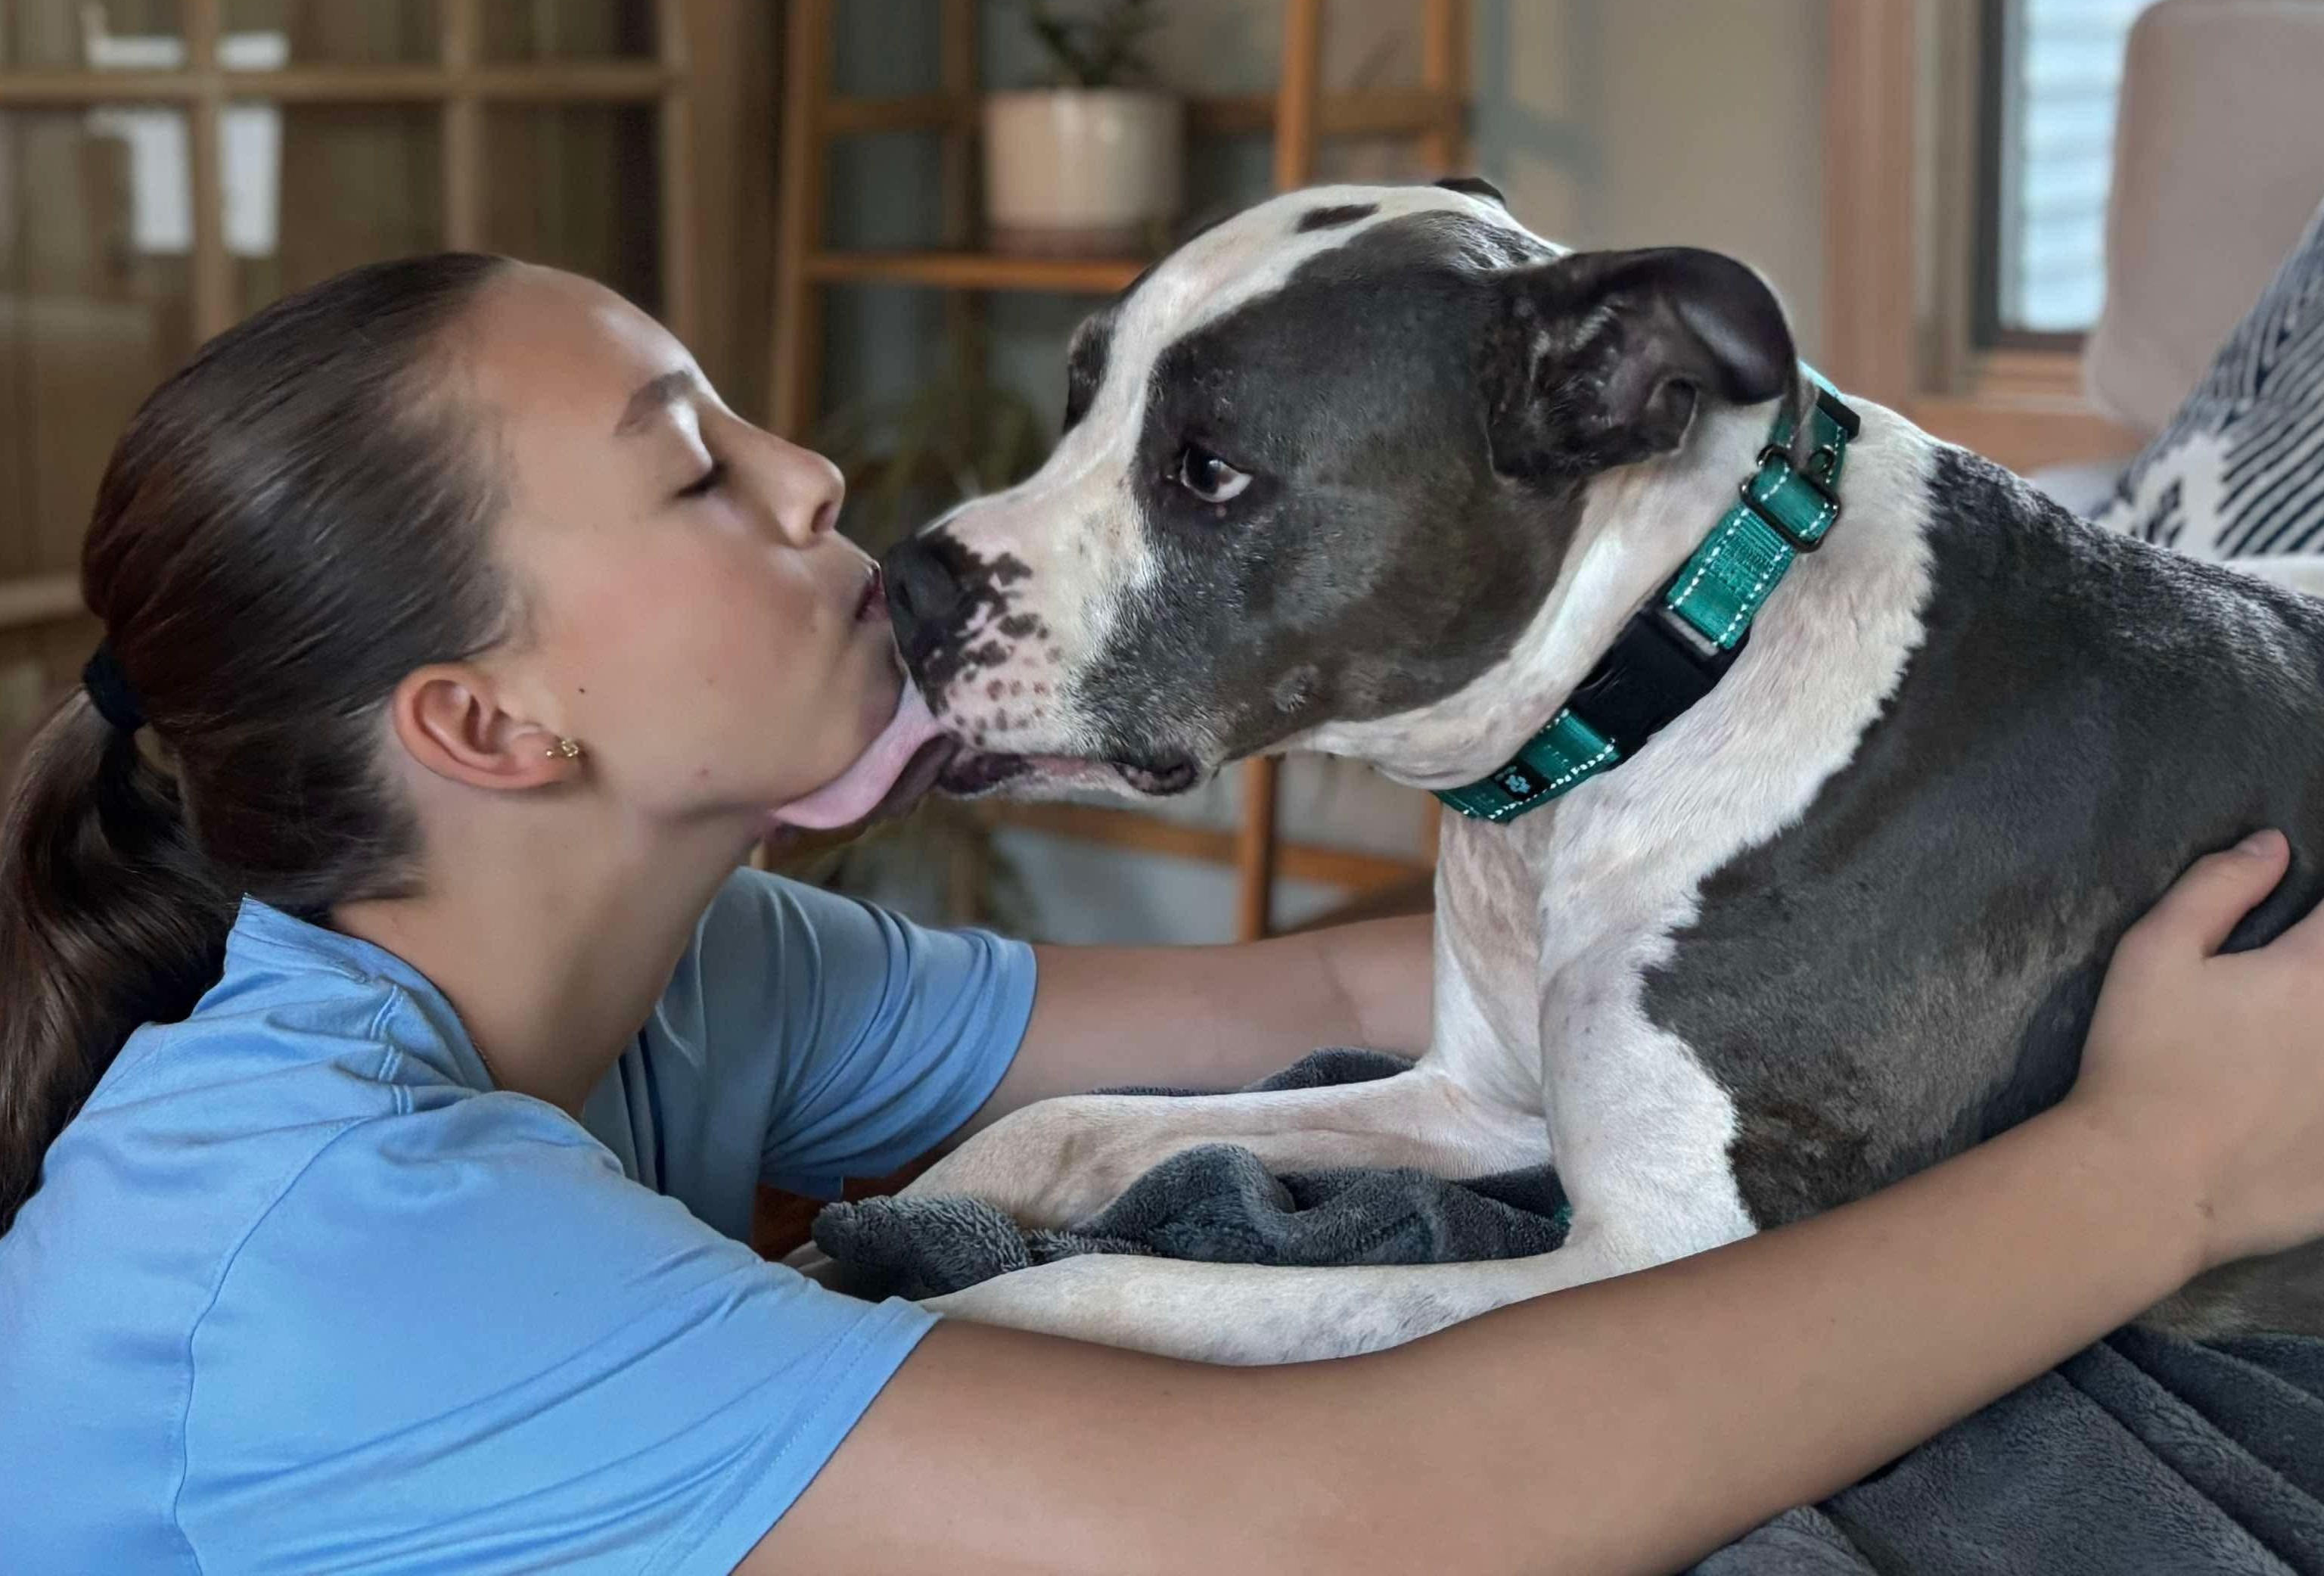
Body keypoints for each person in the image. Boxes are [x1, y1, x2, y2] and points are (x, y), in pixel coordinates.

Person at [2, 253, 2322, 1576]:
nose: (818, 474)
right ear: (491, 733)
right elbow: (1344, 1528)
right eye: (700, 467)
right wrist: (2157, 1174)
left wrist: (1694, 702)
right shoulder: (340, 1244)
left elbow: (1319, 999)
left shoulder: (693, 976)